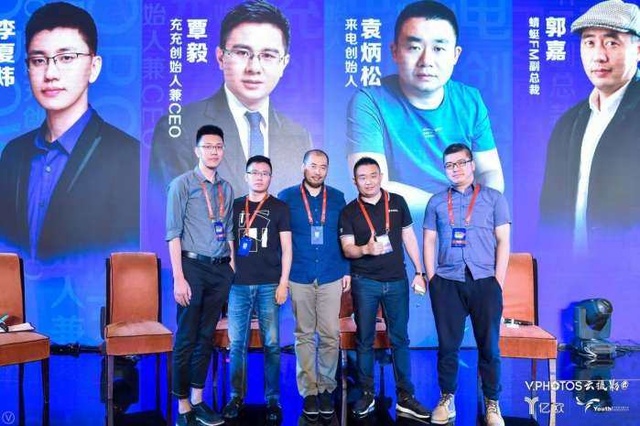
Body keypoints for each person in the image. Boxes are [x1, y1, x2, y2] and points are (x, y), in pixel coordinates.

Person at [0, 1, 139, 261]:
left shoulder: (129, 156)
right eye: (38, 60)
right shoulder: (13, 154)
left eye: (66, 58)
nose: (50, 73)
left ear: (94, 67)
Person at [347, 0, 503, 210]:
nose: (426, 60)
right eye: (414, 47)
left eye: (438, 48)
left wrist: (477, 206)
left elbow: (490, 172)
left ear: (455, 55)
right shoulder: (369, 101)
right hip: (396, 222)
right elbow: (372, 186)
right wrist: (449, 207)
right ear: (395, 51)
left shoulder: (470, 100)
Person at [150, 0, 312, 199]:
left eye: (268, 55)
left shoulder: (299, 136)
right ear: (221, 57)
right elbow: (167, 209)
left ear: (283, 63)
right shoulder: (179, 127)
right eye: (242, 53)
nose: (254, 67)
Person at [539, 0, 640, 252]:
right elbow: (550, 210)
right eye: (589, 43)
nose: (599, 55)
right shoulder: (569, 122)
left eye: (612, 43)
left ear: (638, 50)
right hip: (573, 264)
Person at [423, 143, 510, 426]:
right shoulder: (436, 202)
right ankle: (446, 399)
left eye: (461, 163)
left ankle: (492, 403)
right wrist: (432, 278)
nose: (455, 169)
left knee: (489, 347)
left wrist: (498, 282)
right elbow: (429, 240)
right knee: (448, 346)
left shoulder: (494, 199)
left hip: (485, 281)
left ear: (472, 165)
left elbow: (503, 241)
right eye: (449, 165)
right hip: (447, 282)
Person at [338, 157, 430, 421]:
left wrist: (420, 272)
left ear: (380, 176)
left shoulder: (398, 202)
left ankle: (406, 397)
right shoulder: (349, 211)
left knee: (400, 339)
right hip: (364, 282)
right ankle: (366, 394)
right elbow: (347, 248)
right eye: (362, 177)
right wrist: (365, 249)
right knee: (365, 340)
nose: (368, 181)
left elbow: (409, 237)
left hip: (397, 281)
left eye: (373, 175)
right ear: (355, 181)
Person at [166, 125, 234, 426]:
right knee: (186, 337)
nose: (214, 151)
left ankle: (197, 399)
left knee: (206, 337)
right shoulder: (181, 184)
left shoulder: (226, 188)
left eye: (218, 146)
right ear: (197, 151)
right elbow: (173, 234)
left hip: (220, 270)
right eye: (208, 146)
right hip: (191, 268)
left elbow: (228, 231)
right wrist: (178, 278)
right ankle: (182, 406)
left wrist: (232, 268)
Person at [277, 150, 350, 419]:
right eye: (313, 166)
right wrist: (283, 276)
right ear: (303, 167)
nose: (318, 171)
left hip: (331, 273)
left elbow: (345, 235)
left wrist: (346, 270)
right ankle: (309, 391)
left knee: (330, 334)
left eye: (323, 167)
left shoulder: (338, 197)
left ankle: (327, 388)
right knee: (304, 335)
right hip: (299, 274)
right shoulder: (286, 197)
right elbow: (280, 240)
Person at [223, 155, 292, 424]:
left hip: (269, 285)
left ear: (270, 177)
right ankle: (236, 397)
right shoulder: (235, 206)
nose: (260, 177)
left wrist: (283, 282)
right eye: (255, 172)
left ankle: (272, 399)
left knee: (272, 344)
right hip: (238, 285)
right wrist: (230, 270)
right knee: (237, 344)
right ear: (246, 176)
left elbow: (287, 248)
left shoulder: (280, 208)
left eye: (265, 173)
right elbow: (229, 241)